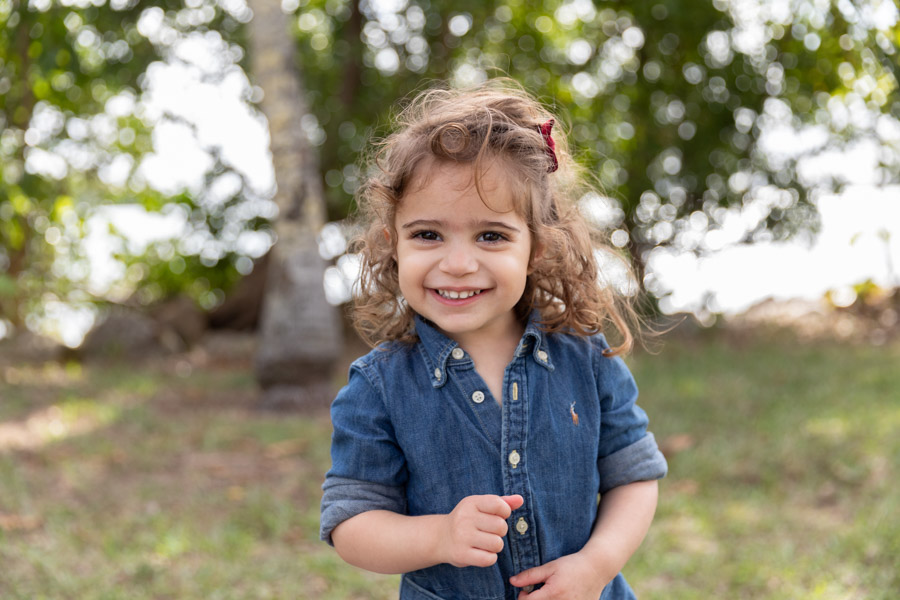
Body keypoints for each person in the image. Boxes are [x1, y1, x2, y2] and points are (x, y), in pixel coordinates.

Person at [320, 80, 668, 600]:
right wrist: (438, 535)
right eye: (428, 234)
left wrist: (596, 566)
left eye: (491, 235)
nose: (458, 264)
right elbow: (351, 524)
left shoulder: (586, 358)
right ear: (394, 244)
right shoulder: (380, 387)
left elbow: (633, 479)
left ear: (535, 249)